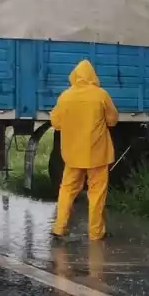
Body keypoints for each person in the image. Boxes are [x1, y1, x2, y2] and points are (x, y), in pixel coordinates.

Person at [51, 60, 119, 241]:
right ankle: (96, 233)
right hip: (97, 153)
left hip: (73, 154)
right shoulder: (101, 95)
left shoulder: (64, 97)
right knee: (96, 192)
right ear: (92, 76)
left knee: (67, 189)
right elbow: (112, 120)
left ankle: (59, 227)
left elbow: (56, 123)